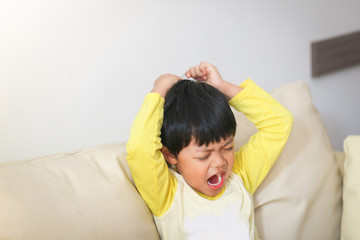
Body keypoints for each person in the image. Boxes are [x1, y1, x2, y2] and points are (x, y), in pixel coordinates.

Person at [126, 62, 294, 239]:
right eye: (204, 156)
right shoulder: (167, 195)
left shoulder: (239, 177)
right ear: (170, 154)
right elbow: (140, 149)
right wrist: (158, 92)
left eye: (227, 147)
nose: (220, 162)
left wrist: (221, 87)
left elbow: (279, 124)